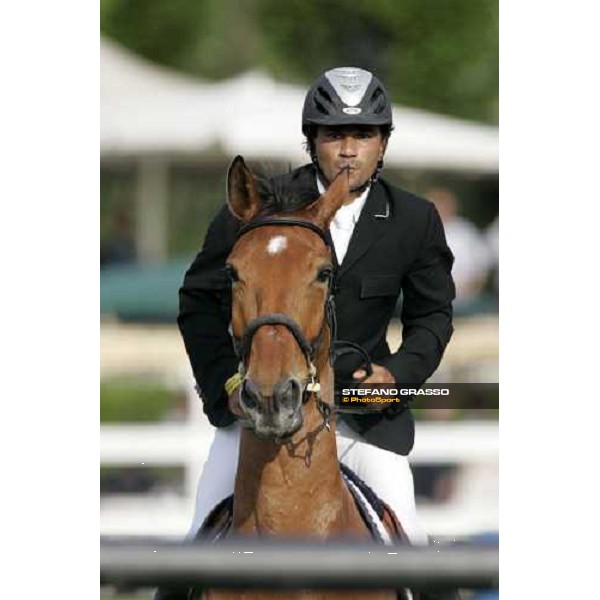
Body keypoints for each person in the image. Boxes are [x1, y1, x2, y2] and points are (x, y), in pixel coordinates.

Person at [178, 67, 455, 547]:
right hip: (260, 412)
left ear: (383, 144)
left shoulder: (415, 219)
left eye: (363, 135)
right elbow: (199, 303)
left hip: (364, 419)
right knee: (194, 550)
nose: (349, 149)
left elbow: (433, 317)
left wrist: (399, 375)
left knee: (414, 546)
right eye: (335, 135)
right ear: (312, 140)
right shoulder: (255, 208)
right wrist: (225, 382)